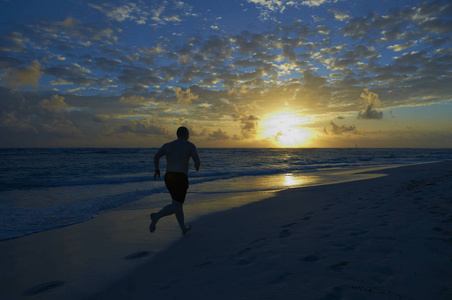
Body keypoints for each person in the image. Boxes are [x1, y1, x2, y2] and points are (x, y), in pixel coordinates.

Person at [150, 126, 201, 235]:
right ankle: (156, 216)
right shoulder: (190, 145)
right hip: (180, 178)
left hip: (168, 177)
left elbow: (156, 157)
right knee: (176, 205)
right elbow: (197, 160)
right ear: (186, 134)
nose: (189, 136)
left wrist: (157, 170)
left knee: (177, 203)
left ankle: (183, 228)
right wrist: (197, 167)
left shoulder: (167, 145)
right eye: (188, 134)